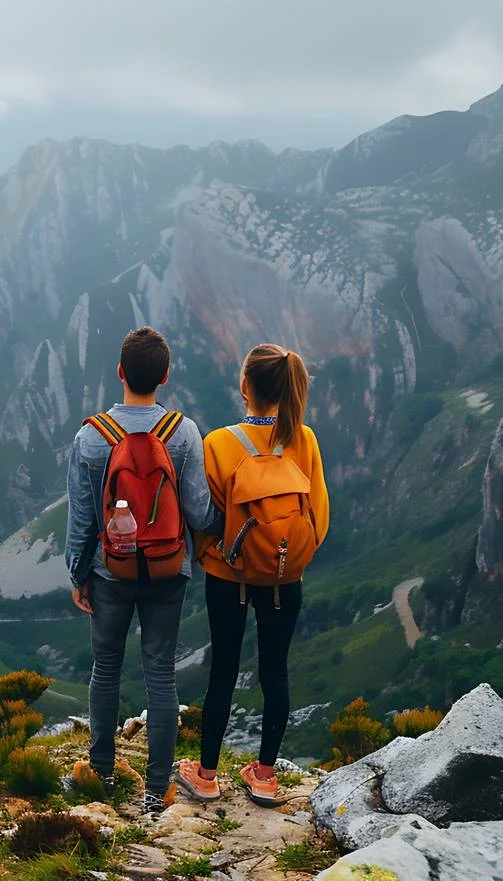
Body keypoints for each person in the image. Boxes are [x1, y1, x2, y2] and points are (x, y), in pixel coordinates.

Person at [66, 326, 218, 814]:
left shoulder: (91, 437)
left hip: (109, 573)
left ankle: (102, 773)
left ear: (119, 371)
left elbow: (82, 518)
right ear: (165, 376)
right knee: (161, 675)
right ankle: (157, 791)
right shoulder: (183, 432)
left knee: (105, 668)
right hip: (168, 570)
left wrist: (77, 574)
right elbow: (197, 512)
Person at [177, 343, 329, 807]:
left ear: (245, 386)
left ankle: (205, 775)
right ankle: (264, 776)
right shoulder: (303, 439)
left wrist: (213, 557)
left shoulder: (218, 444)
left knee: (222, 670)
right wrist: (287, 558)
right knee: (275, 672)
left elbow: (203, 521)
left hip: (229, 576)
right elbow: (318, 519)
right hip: (286, 578)